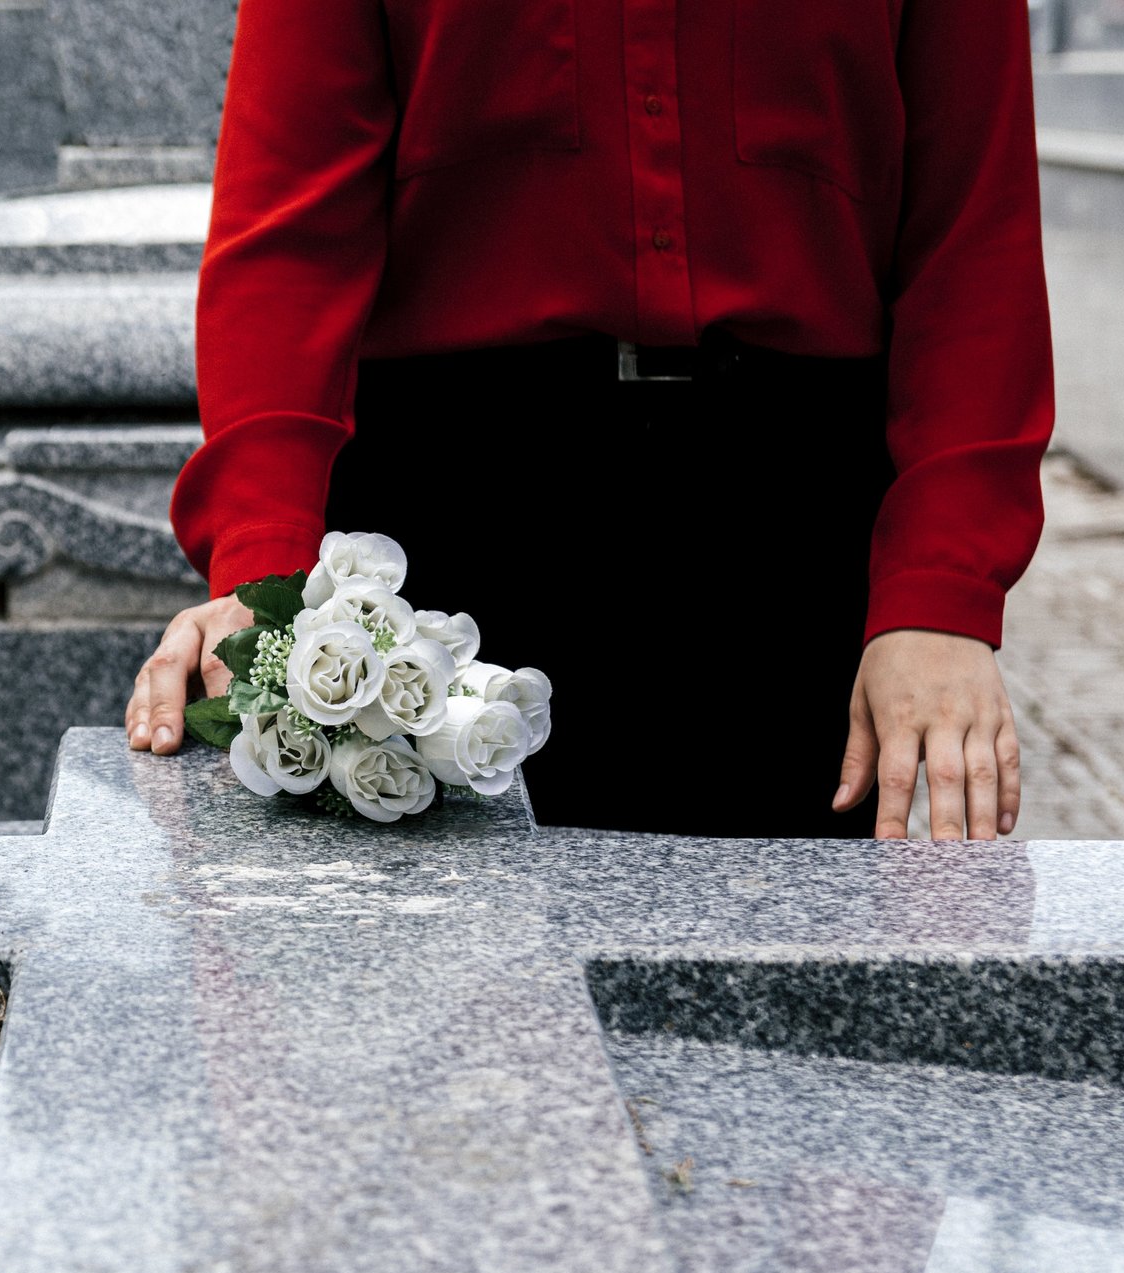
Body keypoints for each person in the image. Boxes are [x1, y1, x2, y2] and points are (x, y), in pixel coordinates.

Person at [124, 0, 1052, 843]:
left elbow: (974, 232)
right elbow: (289, 229)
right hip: (453, 540)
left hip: (795, 538)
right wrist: (268, 578)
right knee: (442, 1003)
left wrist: (940, 592)